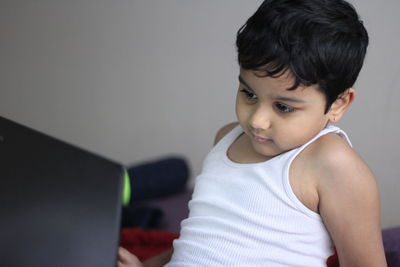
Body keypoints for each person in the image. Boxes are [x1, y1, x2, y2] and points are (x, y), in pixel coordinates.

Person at [118, 0, 387, 266]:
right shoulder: (225, 139)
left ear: (338, 104)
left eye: (283, 107)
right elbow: (200, 242)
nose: (257, 120)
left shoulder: (332, 162)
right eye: (249, 93)